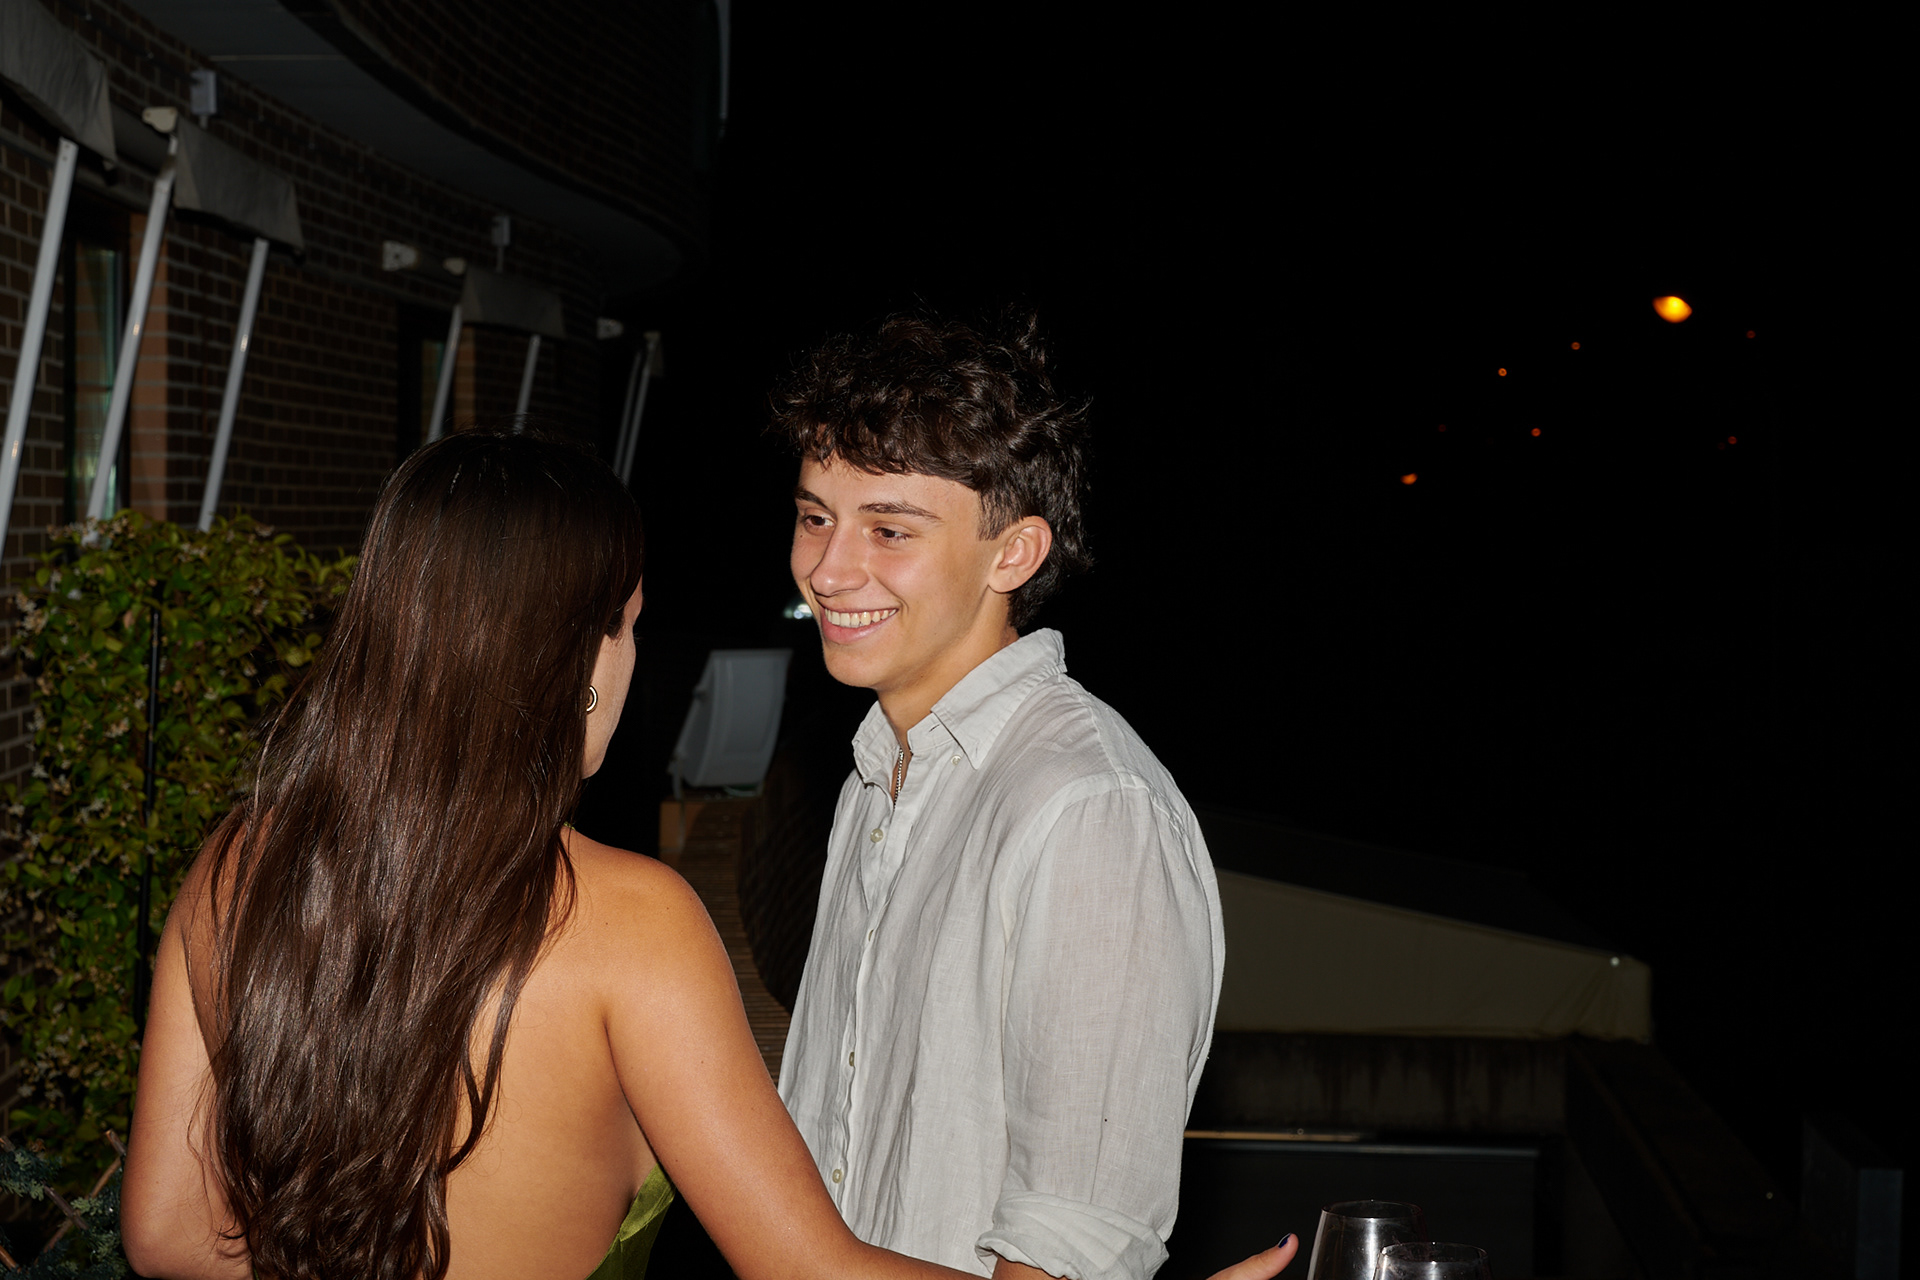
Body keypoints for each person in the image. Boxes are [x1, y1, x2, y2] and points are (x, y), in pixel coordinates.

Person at [120, 429, 1292, 1280]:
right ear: (571, 654)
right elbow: (811, 1268)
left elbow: (166, 1230)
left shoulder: (238, 866)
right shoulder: (629, 921)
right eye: (628, 624)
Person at [773, 312, 1225, 1277]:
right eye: (816, 517)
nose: (829, 570)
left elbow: (1068, 1243)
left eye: (889, 530)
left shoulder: (1086, 809)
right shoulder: (875, 779)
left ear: (1013, 555)